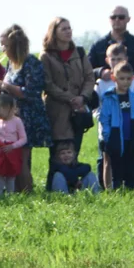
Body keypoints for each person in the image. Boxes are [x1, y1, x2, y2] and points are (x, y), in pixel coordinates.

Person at [0, 25, 50, 192]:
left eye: (5, 45)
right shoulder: (11, 64)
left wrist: (7, 86)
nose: (2, 49)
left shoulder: (31, 63)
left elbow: (31, 92)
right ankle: (16, 190)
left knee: (22, 157)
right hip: (13, 115)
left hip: (28, 116)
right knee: (15, 156)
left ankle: (26, 191)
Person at [40, 17, 94, 184]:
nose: (68, 31)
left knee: (74, 149)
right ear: (54, 32)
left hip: (78, 110)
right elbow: (47, 83)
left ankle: (74, 185)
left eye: (69, 28)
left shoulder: (79, 52)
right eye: (63, 28)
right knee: (58, 151)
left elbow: (89, 77)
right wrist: (70, 98)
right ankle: (54, 186)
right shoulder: (46, 56)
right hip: (57, 110)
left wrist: (82, 97)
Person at [88, 6, 134, 107]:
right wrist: (100, 72)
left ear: (128, 19)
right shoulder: (98, 46)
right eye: (113, 17)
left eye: (121, 17)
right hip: (106, 106)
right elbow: (85, 71)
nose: (117, 20)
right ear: (109, 19)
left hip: (133, 102)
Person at [99, 62, 134, 189]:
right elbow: (104, 119)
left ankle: (133, 187)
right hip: (115, 135)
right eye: (122, 78)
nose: (125, 82)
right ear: (114, 78)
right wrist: (107, 135)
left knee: (133, 162)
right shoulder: (108, 97)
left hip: (132, 135)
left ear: (133, 78)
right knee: (114, 163)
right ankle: (112, 189)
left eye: (128, 78)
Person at [0, 92, 26, 197]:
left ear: (8, 108)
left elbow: (23, 138)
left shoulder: (17, 121)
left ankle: (10, 195)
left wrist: (13, 146)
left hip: (12, 152)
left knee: (11, 177)